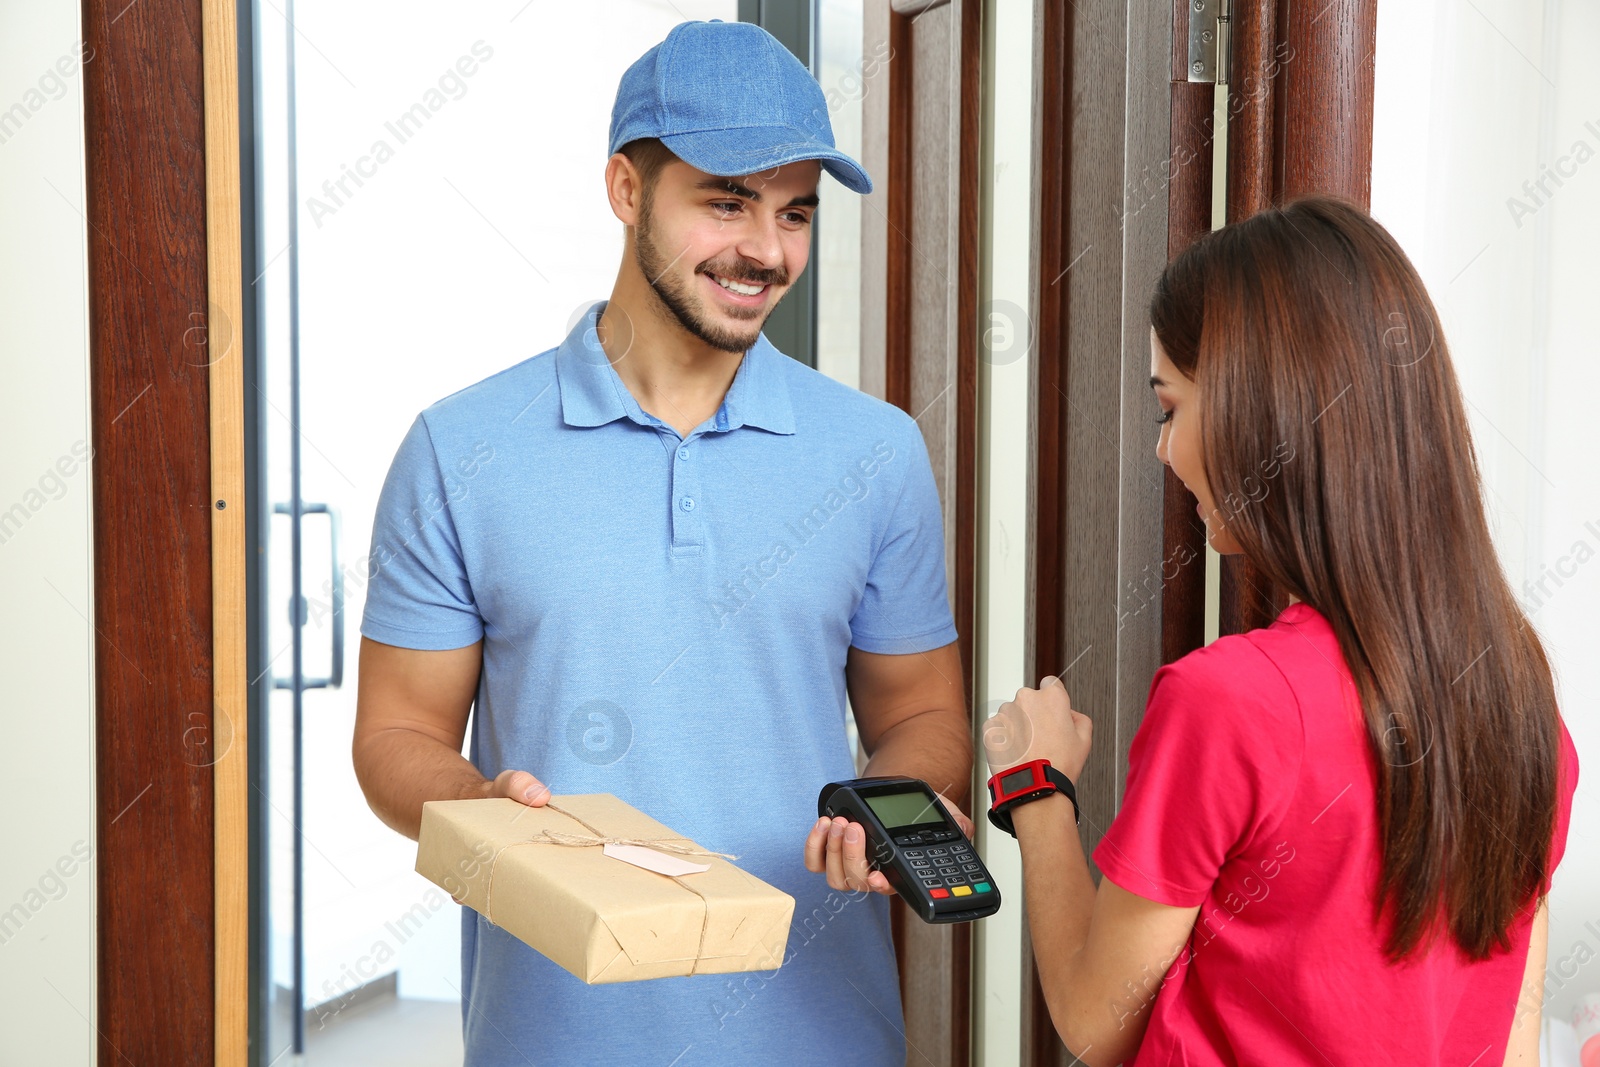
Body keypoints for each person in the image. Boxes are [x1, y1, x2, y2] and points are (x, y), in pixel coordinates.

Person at [351, 19, 973, 1067]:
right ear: (626, 191)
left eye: (795, 212)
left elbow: (920, 711)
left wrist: (880, 811)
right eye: (725, 201)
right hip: (552, 1032)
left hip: (823, 1028)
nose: (767, 251)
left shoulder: (875, 452)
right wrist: (480, 805)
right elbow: (394, 737)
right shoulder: (460, 449)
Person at [982, 195, 1580, 1066]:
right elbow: (1512, 1043)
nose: (1164, 449)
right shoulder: (1526, 709)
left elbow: (1095, 1019)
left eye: (1171, 407)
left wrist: (1035, 788)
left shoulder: (1231, 699)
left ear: (1259, 415)